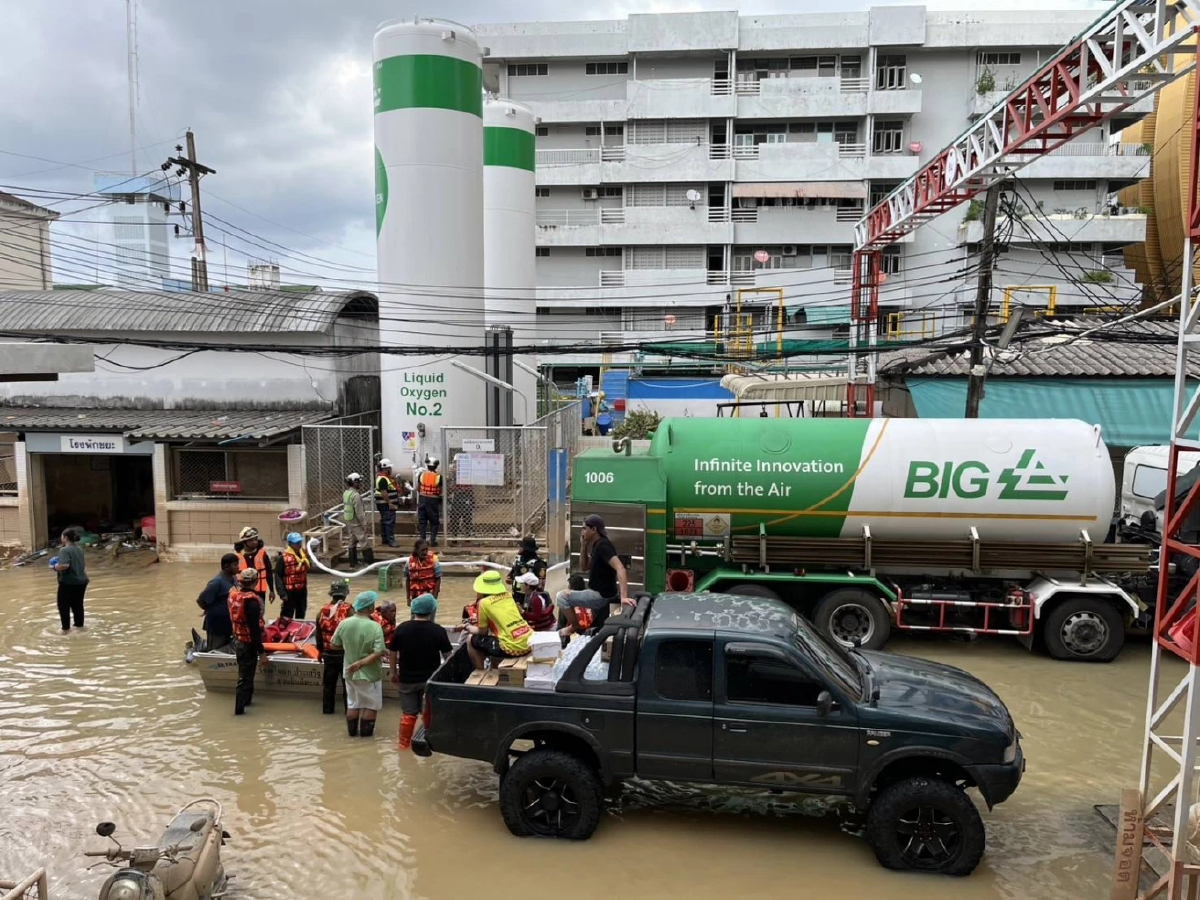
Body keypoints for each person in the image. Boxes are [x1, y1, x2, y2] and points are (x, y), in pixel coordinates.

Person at [390, 592, 452, 750]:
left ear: (414, 610)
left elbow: (392, 652)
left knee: (408, 713)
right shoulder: (438, 631)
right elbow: (448, 658)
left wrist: (393, 673)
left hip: (406, 680)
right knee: (428, 714)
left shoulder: (402, 629)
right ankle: (429, 745)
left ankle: (403, 746)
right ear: (431, 611)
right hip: (429, 681)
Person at [331, 590, 387, 737]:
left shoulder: (344, 623)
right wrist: (361, 663)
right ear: (369, 608)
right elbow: (379, 652)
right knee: (371, 705)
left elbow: (333, 645)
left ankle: (352, 736)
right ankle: (366, 740)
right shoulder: (375, 627)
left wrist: (350, 649)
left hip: (349, 672)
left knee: (353, 703)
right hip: (370, 673)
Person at [465, 570, 532, 668]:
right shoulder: (508, 595)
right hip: (529, 641)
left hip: (512, 648)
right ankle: (494, 666)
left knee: (470, 639)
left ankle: (480, 672)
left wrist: (467, 627)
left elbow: (482, 632)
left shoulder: (483, 603)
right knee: (496, 636)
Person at [229, 568, 267, 715]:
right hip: (248, 643)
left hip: (238, 640)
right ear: (256, 582)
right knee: (244, 678)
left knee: (247, 676)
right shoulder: (252, 602)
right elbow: (254, 630)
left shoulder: (234, 596)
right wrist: (262, 652)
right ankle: (239, 711)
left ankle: (247, 702)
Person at [316, 580, 352, 715]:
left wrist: (320, 651)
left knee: (328, 686)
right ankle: (349, 713)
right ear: (345, 594)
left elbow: (318, 634)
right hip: (344, 654)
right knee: (347, 686)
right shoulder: (349, 610)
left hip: (328, 653)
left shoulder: (322, 610)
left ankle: (327, 711)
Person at [196, 553, 239, 651]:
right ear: (226, 566)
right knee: (215, 651)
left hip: (229, 622)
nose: (238, 567)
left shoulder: (234, 579)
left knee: (228, 648)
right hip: (217, 624)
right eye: (235, 565)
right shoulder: (217, 582)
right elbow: (201, 600)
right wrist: (212, 610)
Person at [53, 526, 89, 633]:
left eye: (62, 537)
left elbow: (64, 565)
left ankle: (65, 630)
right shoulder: (79, 549)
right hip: (82, 581)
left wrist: (54, 567)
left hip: (69, 582)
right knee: (77, 605)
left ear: (65, 537)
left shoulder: (64, 550)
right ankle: (79, 627)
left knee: (63, 606)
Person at [555, 574, 609, 638]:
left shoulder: (565, 607)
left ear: (570, 588)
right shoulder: (596, 604)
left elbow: (560, 627)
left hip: (572, 639)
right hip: (593, 638)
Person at [234, 526, 275, 605]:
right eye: (251, 540)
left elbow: (269, 573)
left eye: (255, 539)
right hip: (243, 593)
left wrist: (272, 590)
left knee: (260, 613)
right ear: (244, 542)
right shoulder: (237, 557)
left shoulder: (262, 554)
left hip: (260, 592)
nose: (254, 542)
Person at [342, 472, 374, 568]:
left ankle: (352, 563)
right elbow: (360, 513)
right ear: (354, 483)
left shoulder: (346, 493)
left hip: (349, 520)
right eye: (358, 482)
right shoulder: (355, 495)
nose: (360, 484)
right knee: (363, 541)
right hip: (355, 521)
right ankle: (370, 563)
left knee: (352, 540)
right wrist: (365, 525)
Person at [277, 532, 311, 619]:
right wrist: (282, 593)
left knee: (301, 612)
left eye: (299, 542)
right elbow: (278, 576)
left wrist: (308, 557)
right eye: (296, 542)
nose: (298, 544)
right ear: (290, 543)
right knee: (287, 614)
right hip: (289, 592)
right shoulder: (283, 557)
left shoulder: (303, 553)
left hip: (302, 590)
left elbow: (308, 567)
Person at [404, 539, 442, 607]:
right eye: (422, 550)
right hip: (415, 599)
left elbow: (438, 579)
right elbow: (408, 579)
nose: (425, 552)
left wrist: (434, 599)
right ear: (417, 550)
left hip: (430, 598)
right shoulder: (409, 561)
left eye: (426, 549)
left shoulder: (434, 559)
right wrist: (408, 599)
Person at [416, 455, 443, 547]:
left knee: (422, 520)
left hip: (422, 499)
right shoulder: (438, 477)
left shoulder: (421, 475)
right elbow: (440, 490)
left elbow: (418, 488)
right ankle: (433, 540)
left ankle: (423, 540)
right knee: (434, 521)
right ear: (435, 466)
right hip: (433, 500)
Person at [374, 458, 401, 548]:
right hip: (386, 504)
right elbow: (384, 492)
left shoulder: (383, 478)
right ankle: (391, 540)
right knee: (389, 522)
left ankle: (385, 539)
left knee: (385, 521)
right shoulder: (383, 479)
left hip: (384, 504)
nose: (391, 470)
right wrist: (389, 503)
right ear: (386, 469)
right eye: (389, 468)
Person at [447, 452, 474, 538]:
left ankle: (464, 534)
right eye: (455, 463)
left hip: (464, 494)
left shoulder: (464, 472)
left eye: (456, 463)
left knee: (464, 516)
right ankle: (459, 535)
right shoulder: (457, 473)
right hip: (462, 495)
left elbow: (452, 486)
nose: (455, 465)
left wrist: (450, 491)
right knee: (458, 516)